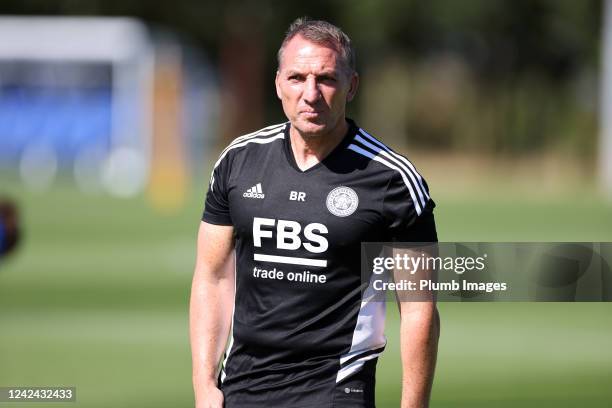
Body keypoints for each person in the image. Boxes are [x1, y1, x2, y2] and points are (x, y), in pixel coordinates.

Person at [190, 17, 439, 408]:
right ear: (277, 84)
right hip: (241, 389)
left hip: (335, 390)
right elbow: (213, 278)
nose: (311, 93)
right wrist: (204, 383)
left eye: (326, 79)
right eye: (297, 78)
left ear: (351, 85)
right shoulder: (237, 162)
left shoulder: (393, 180)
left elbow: (419, 308)